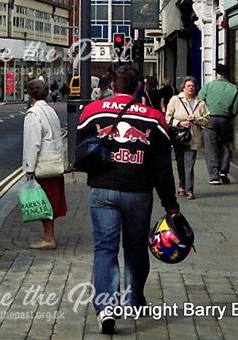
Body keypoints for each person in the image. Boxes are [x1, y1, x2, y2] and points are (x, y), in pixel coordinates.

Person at [76, 66, 180, 334]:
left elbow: (82, 149)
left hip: (102, 190)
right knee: (135, 248)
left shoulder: (91, 111)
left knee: (104, 249)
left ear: (113, 85)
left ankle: (107, 307)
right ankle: (134, 300)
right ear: (138, 88)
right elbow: (162, 167)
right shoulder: (155, 118)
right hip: (138, 192)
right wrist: (171, 204)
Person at [22, 79, 67, 250]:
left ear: (30, 94)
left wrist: (29, 169)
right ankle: (49, 236)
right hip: (54, 162)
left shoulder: (34, 114)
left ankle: (48, 238)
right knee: (50, 201)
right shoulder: (50, 111)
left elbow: (33, 143)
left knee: (43, 202)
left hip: (42, 165)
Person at [166, 76, 210, 200]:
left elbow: (207, 119)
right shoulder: (175, 100)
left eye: (193, 86)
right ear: (183, 88)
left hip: (193, 138)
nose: (191, 88)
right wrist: (179, 123)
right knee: (180, 163)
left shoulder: (200, 103)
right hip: (179, 138)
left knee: (189, 165)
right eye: (188, 86)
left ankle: (190, 189)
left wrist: (196, 119)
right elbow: (167, 117)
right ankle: (182, 185)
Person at [199, 64, 238, 185]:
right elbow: (235, 108)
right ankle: (223, 170)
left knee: (210, 146)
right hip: (226, 119)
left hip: (210, 118)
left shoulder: (208, 86)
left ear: (216, 73)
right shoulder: (233, 88)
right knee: (225, 144)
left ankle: (213, 176)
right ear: (227, 74)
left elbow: (200, 101)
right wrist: (230, 115)